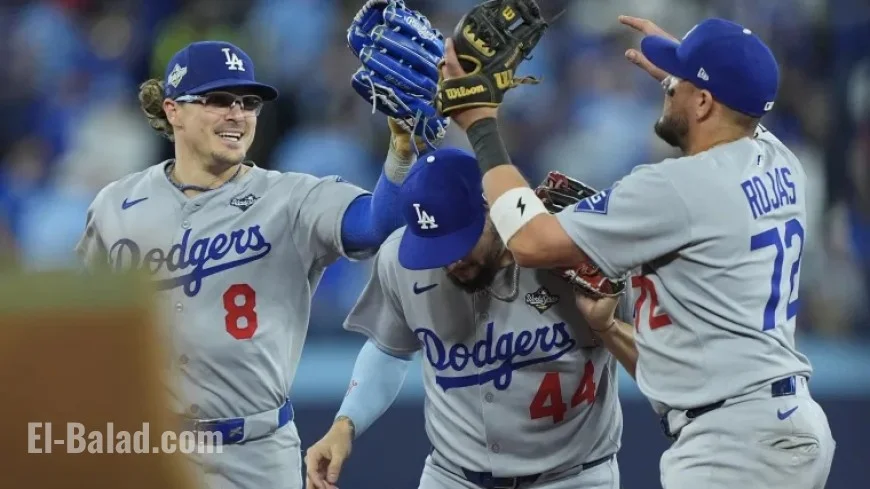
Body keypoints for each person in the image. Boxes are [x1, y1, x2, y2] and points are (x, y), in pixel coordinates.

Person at [436, 15, 836, 489]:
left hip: (735, 446)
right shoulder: (782, 162)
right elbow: (743, 107)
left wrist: (480, 124)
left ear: (704, 102)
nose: (667, 87)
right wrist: (693, 71)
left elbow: (530, 241)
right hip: (786, 422)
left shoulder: (679, 187)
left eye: (678, 82)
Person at [74, 40, 432, 489]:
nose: (237, 114)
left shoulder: (293, 198)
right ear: (173, 110)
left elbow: (375, 224)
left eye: (248, 103)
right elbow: (87, 327)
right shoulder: (116, 204)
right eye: (219, 99)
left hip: (256, 455)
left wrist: (401, 153)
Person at [304, 148, 628, 489]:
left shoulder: (576, 251)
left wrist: (608, 327)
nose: (451, 261)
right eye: (435, 246)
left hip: (572, 477)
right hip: (452, 477)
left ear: (491, 208)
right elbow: (390, 348)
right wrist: (345, 423)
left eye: (459, 240)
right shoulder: (400, 260)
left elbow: (653, 351)